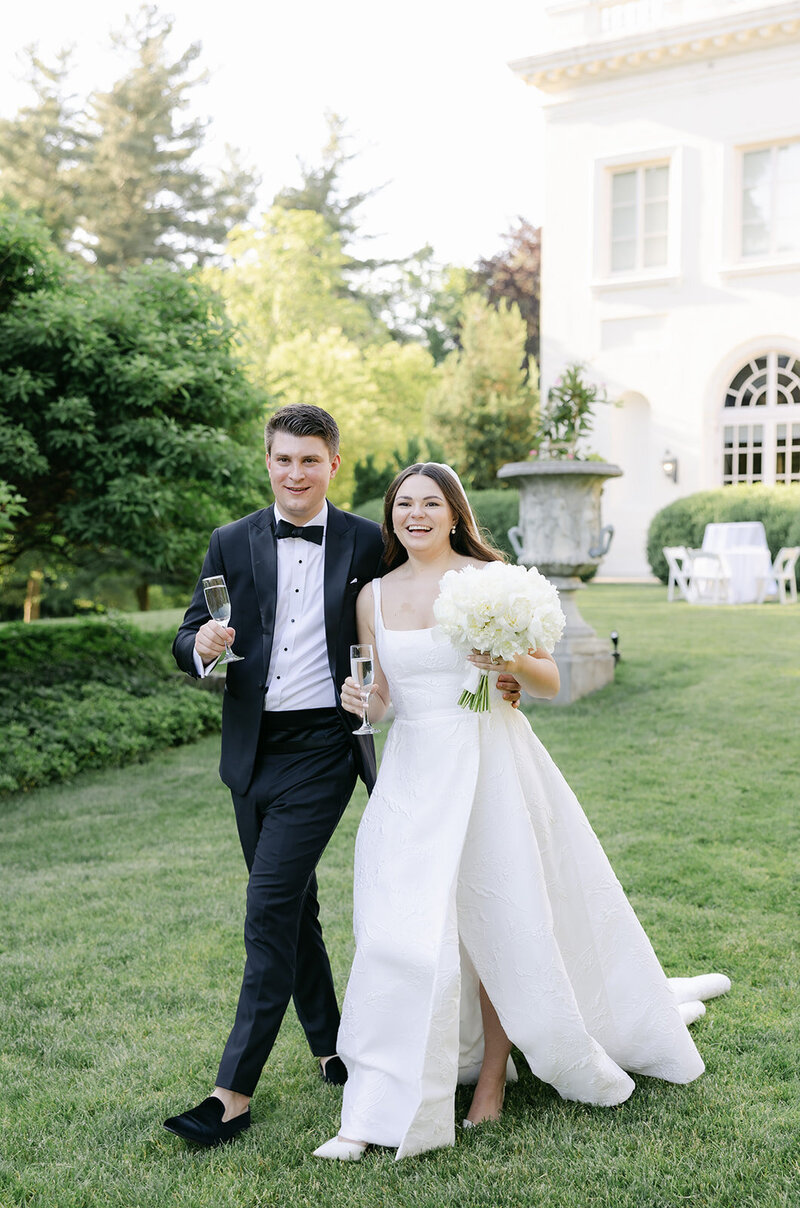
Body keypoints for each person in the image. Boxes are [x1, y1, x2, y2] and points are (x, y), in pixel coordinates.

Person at [313, 463, 730, 1162]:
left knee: (500, 922)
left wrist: (502, 656)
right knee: (397, 931)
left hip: (489, 763)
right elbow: (383, 697)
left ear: (455, 514)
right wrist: (363, 705)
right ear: (392, 518)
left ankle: (491, 1085)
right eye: (404, 505)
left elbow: (546, 677)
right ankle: (376, 1103)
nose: (416, 515)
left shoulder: (489, 581)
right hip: (415, 773)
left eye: (431, 504)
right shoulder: (372, 597)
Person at [163, 408, 526, 1148]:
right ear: (267, 461)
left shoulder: (367, 541)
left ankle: (231, 1092)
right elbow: (186, 631)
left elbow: (418, 612)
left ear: (333, 463)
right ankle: (331, 1048)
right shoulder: (229, 541)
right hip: (250, 754)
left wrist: (502, 678)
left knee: (266, 906)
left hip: (326, 749)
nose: (295, 474)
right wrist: (199, 643)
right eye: (282, 460)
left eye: (310, 460)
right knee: (293, 910)